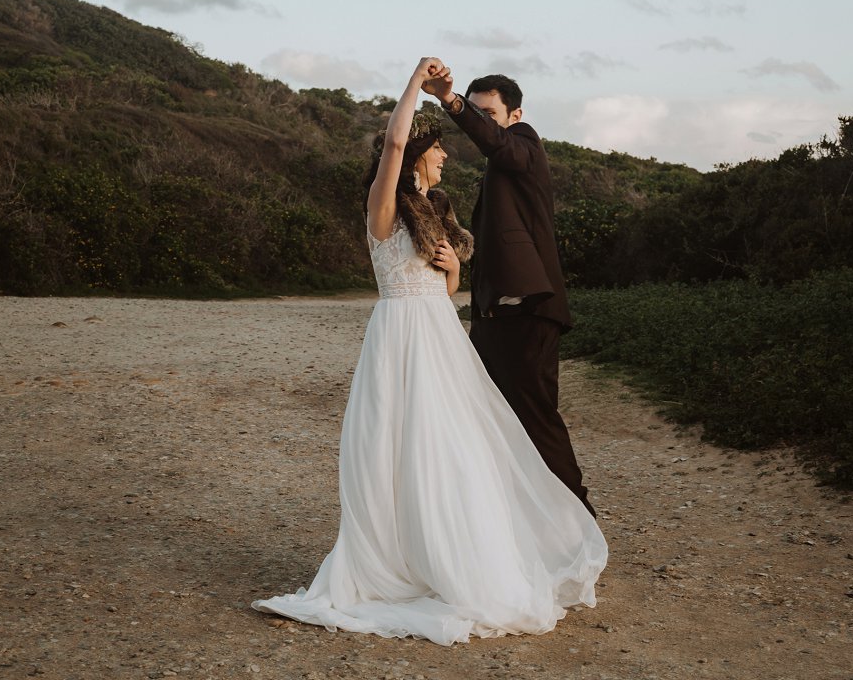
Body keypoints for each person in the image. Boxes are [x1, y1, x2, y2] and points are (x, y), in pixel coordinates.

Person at [251, 58, 607, 646]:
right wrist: (420, 82)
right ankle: (405, 555)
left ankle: (469, 545)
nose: (445, 154)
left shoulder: (439, 208)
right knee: (399, 444)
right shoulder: (385, 203)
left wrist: (454, 269)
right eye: (437, 148)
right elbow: (394, 142)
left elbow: (442, 289)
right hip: (400, 337)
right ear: (416, 154)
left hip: (440, 334)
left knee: (455, 443)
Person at [423, 72, 596, 517]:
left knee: (537, 423)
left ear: (515, 115)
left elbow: (497, 143)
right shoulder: (500, 163)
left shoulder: (523, 143)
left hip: (530, 313)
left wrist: (452, 101)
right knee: (487, 419)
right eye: (476, 112)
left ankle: (578, 522)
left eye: (489, 113)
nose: (482, 121)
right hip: (493, 318)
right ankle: (510, 522)